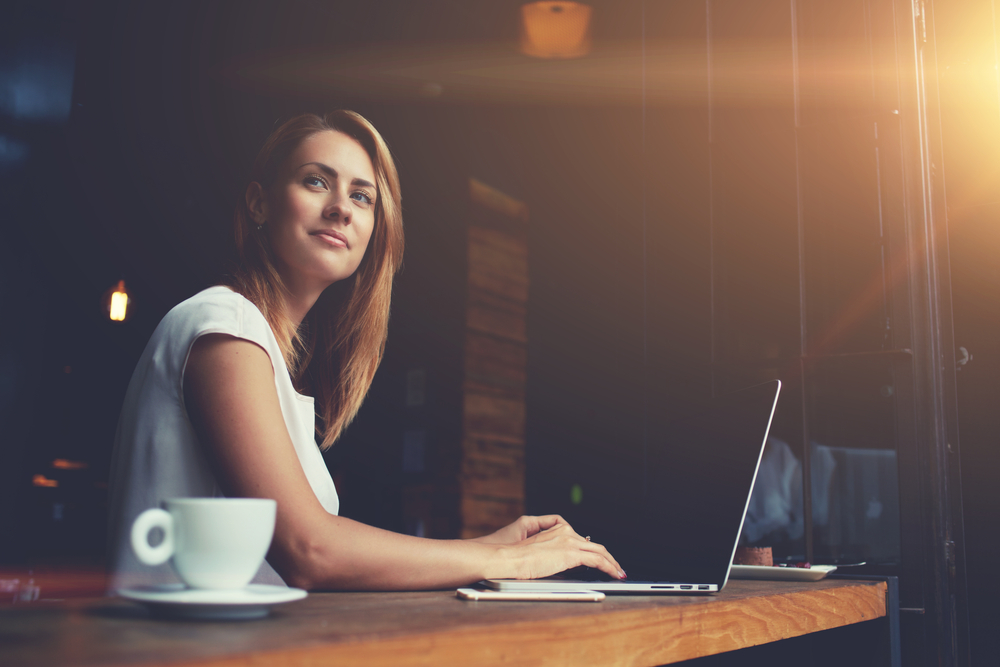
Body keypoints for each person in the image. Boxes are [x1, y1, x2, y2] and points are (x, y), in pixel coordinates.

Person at [107, 110, 624, 591]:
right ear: (259, 202)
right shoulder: (223, 325)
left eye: (362, 197)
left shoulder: (261, 350)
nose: (340, 208)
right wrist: (503, 562)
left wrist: (487, 546)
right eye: (316, 181)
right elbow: (308, 549)